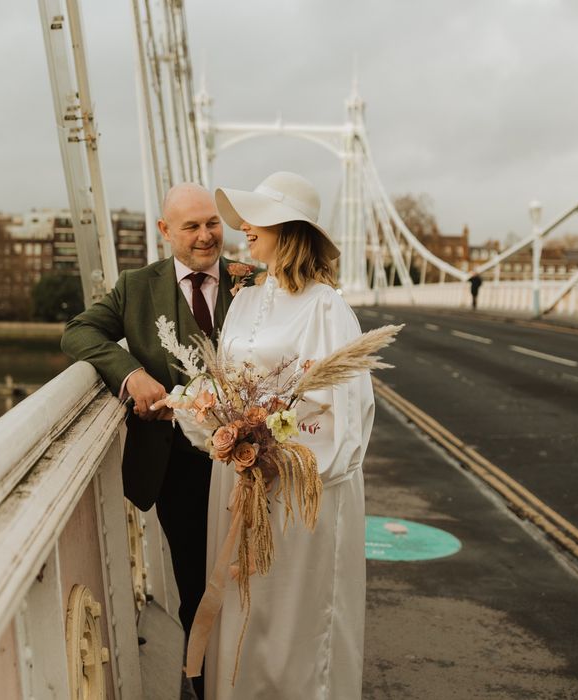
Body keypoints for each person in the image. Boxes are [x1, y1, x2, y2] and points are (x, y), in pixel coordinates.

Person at [172, 172, 375, 699]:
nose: (242, 229)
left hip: (299, 493)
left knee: (294, 616)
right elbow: (227, 382)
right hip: (238, 482)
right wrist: (207, 418)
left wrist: (281, 462)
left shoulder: (326, 307)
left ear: (288, 230)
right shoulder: (243, 300)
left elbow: (349, 415)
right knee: (245, 605)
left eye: (255, 219)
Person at [61, 183, 235, 699]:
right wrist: (129, 373)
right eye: (191, 226)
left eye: (212, 223)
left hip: (246, 462)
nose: (206, 236)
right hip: (176, 465)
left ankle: (245, 676)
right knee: (194, 584)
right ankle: (200, 681)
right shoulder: (137, 286)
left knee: (250, 581)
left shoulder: (253, 281)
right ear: (165, 232)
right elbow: (78, 333)